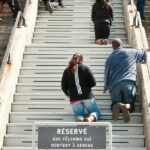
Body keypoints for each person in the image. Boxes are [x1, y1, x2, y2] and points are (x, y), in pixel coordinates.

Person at [104, 38, 147, 123]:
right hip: (129, 83)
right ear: (122, 44)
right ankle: (126, 106)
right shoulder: (132, 52)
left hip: (115, 85)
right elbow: (143, 54)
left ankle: (117, 105)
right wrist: (144, 50)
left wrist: (105, 87)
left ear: (113, 47)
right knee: (131, 105)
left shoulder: (109, 58)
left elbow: (107, 74)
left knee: (114, 104)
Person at [61, 53, 101, 122]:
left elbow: (63, 86)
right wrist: (86, 87)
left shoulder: (67, 70)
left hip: (74, 97)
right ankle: (89, 119)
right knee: (96, 112)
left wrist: (68, 94)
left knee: (79, 115)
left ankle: (80, 119)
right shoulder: (85, 68)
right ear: (81, 59)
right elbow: (93, 83)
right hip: (87, 96)